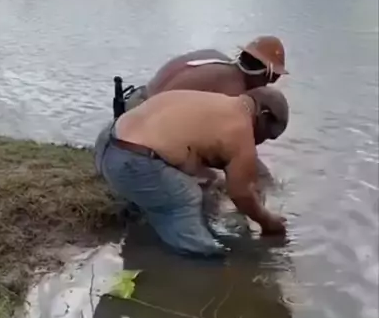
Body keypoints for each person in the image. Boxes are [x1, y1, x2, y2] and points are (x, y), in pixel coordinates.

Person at [94, 86, 290, 258]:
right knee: (189, 200)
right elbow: (241, 194)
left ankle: (141, 229)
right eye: (268, 135)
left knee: (194, 184)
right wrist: (268, 221)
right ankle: (199, 263)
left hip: (107, 143)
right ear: (264, 115)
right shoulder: (242, 128)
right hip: (131, 162)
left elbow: (179, 141)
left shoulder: (219, 102)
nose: (261, 141)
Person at [122, 35, 288, 111]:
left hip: (135, 97)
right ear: (270, 75)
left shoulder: (216, 57)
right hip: (141, 114)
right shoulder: (233, 90)